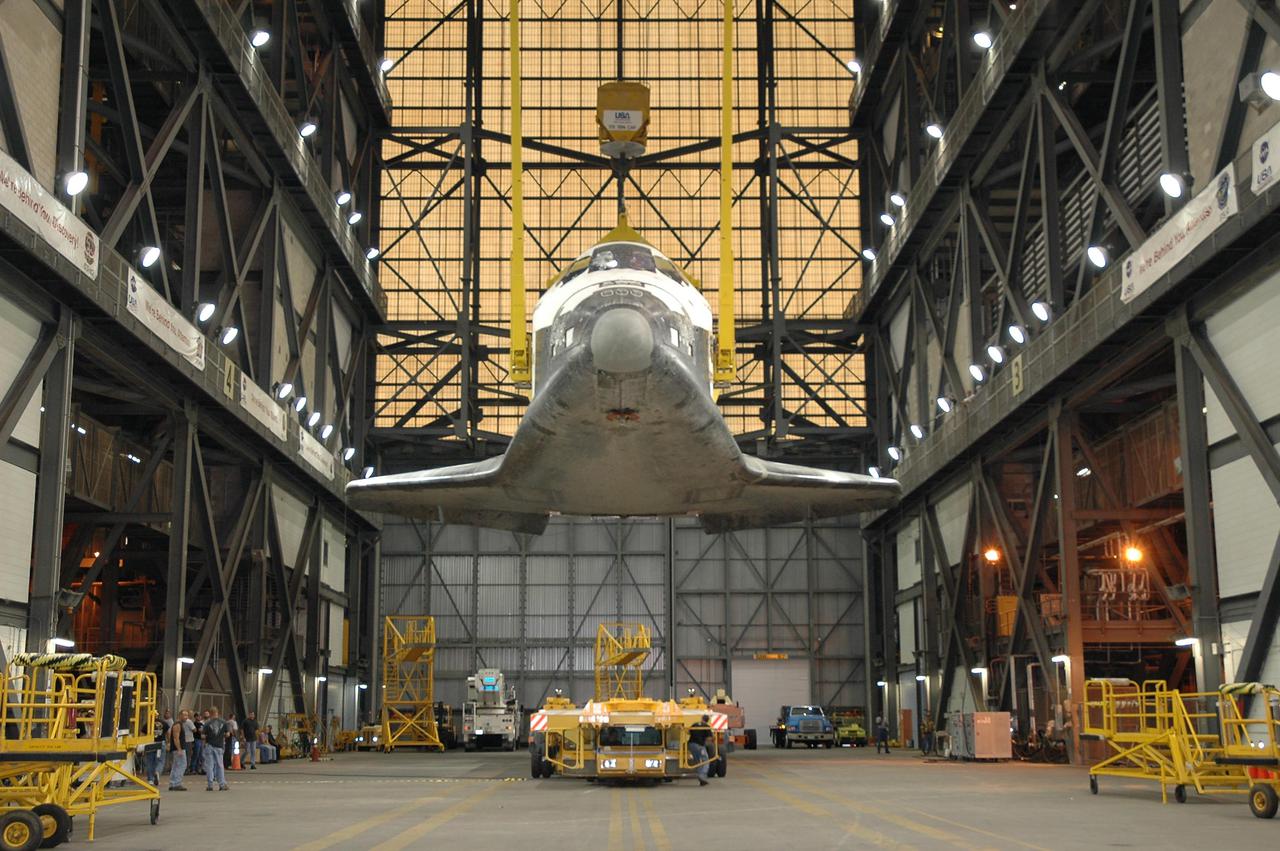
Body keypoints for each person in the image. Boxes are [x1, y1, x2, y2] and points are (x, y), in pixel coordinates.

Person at [202, 706, 230, 791]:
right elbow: (228, 734)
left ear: (210, 713)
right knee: (220, 765)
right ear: (218, 712)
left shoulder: (207, 723)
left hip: (209, 746)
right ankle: (221, 784)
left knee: (209, 766)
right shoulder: (224, 722)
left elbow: (203, 736)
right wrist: (222, 736)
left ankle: (210, 785)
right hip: (219, 746)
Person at [686, 716, 712, 787]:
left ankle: (701, 779)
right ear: (707, 720)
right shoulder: (706, 726)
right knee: (706, 761)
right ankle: (702, 776)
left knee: (698, 762)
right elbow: (709, 738)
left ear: (701, 718)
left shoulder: (695, 724)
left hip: (690, 745)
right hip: (699, 746)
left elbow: (688, 732)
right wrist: (705, 745)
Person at [168, 710, 189, 791]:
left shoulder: (178, 724)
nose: (186, 717)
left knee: (176, 766)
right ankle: (177, 783)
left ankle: (173, 783)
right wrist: (179, 749)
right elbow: (175, 738)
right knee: (182, 765)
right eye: (184, 715)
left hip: (177, 749)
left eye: (187, 715)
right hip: (178, 749)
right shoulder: (177, 725)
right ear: (180, 715)